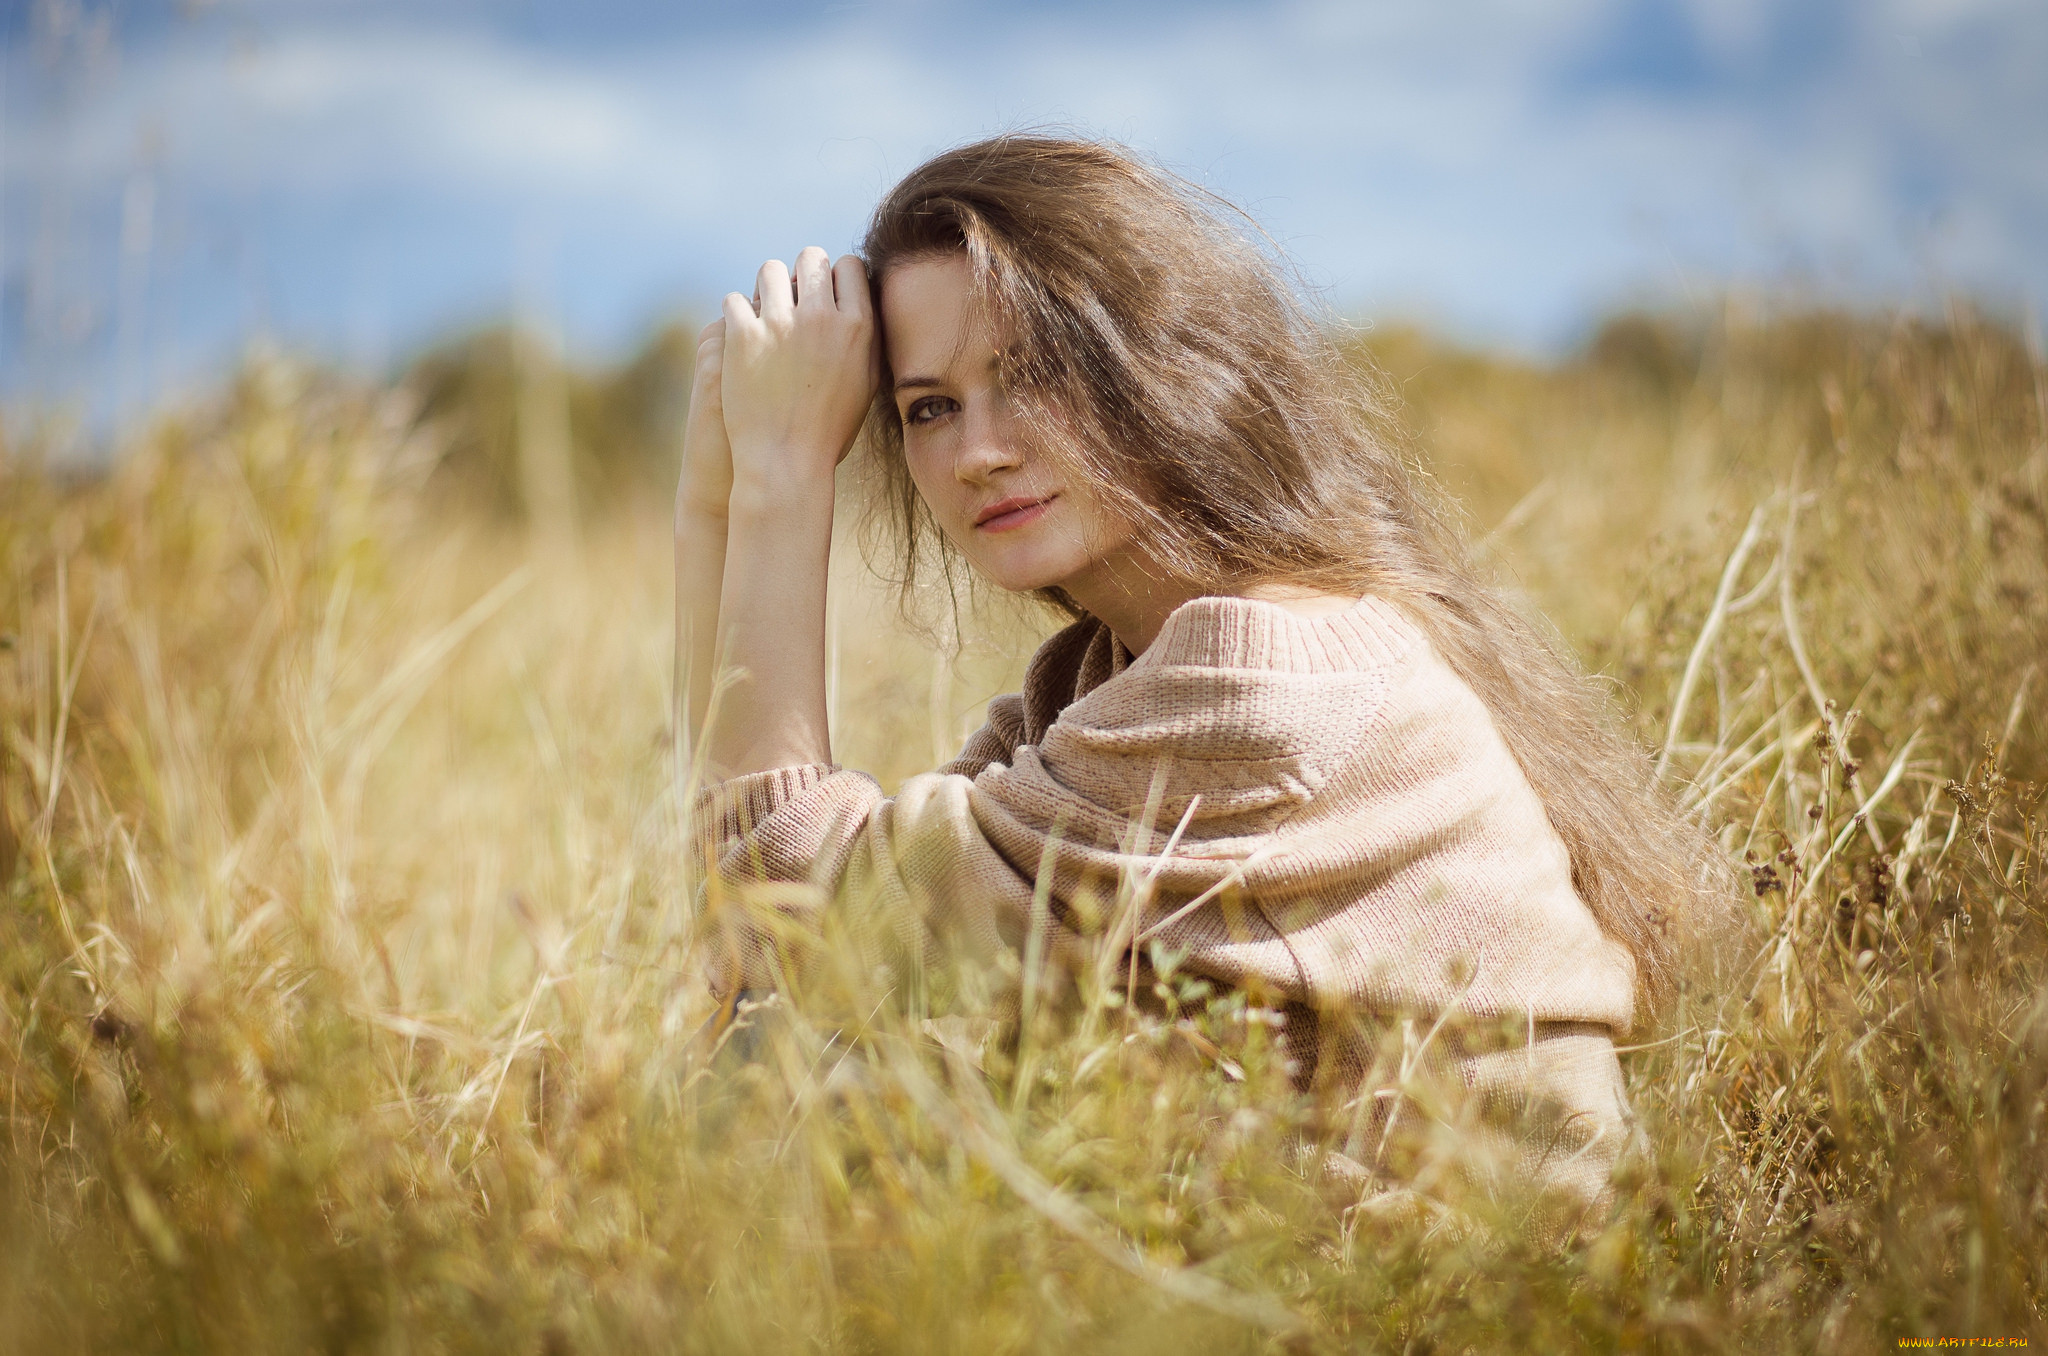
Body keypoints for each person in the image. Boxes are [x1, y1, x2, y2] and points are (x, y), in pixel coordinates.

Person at [674, 134, 1725, 1224]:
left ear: (1161, 369)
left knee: (794, 1080)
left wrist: (782, 478)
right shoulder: (1109, 677)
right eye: (928, 407)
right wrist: (713, 496)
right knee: (789, 1064)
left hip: (1462, 1303)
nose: (977, 450)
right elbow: (754, 935)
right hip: (1312, 1268)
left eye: (1028, 373)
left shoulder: (1253, 683)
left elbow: (793, 915)